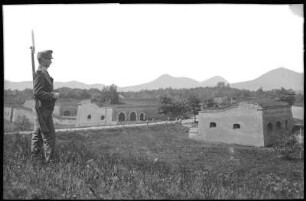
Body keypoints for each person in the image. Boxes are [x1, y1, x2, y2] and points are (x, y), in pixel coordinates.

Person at [31, 50, 59, 163]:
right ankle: (49, 163)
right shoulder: (40, 73)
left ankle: (36, 161)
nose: (51, 61)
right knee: (49, 137)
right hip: (43, 110)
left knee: (37, 135)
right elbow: (37, 92)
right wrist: (52, 96)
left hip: (44, 109)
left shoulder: (44, 72)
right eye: (49, 59)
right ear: (42, 60)